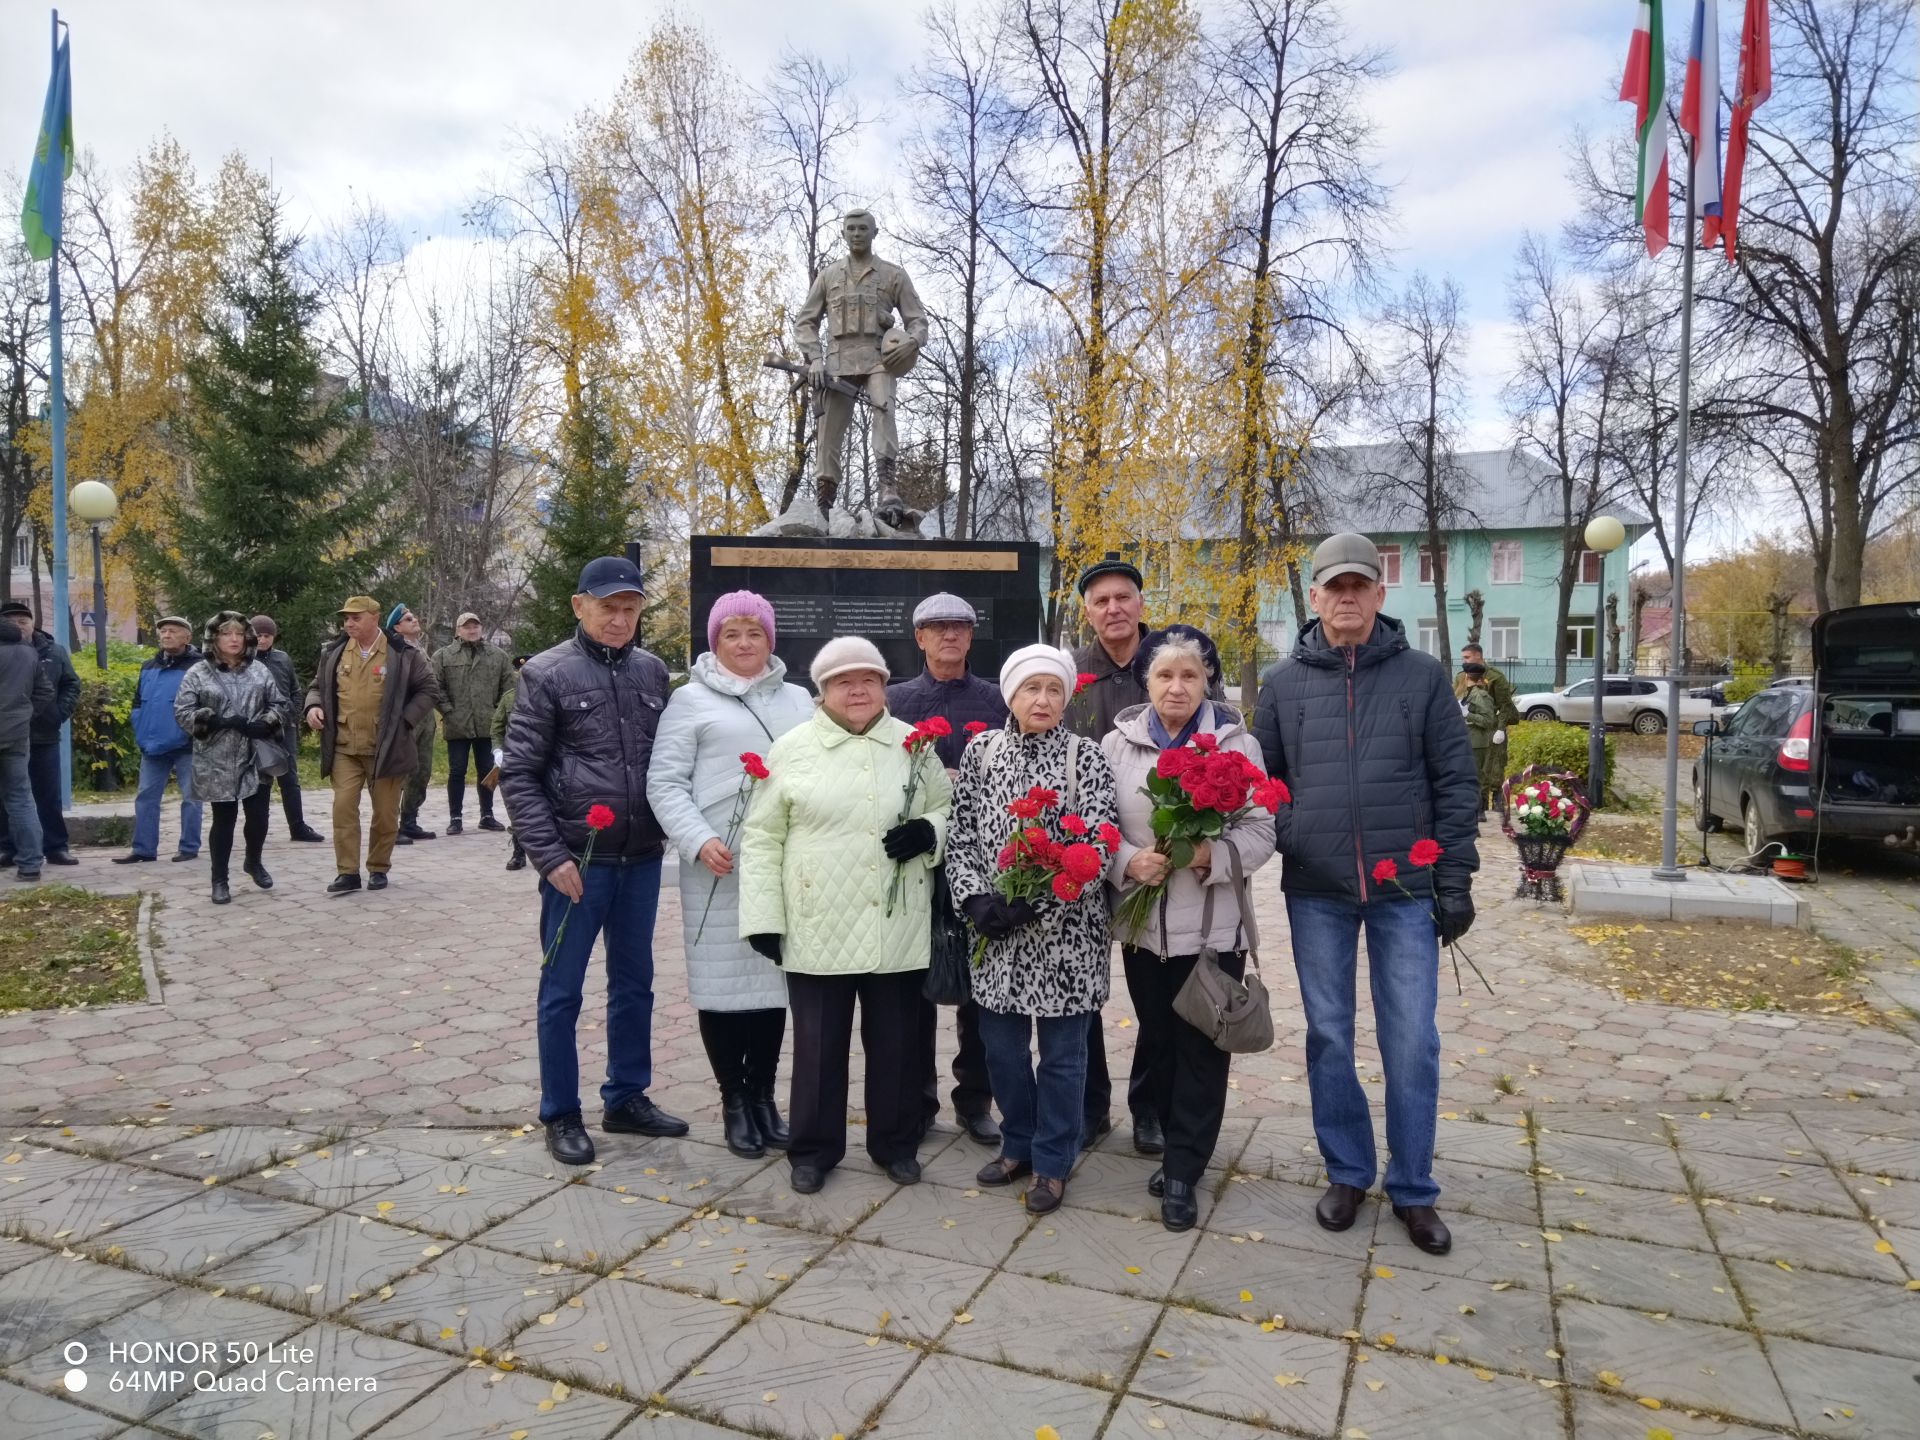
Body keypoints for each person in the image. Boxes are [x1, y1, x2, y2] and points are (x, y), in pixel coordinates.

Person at [1253, 533, 1480, 1257]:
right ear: (1314, 598)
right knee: (1328, 1035)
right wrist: (1301, 835)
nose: (1346, 598)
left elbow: (1455, 782)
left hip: (1403, 890)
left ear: (1381, 596)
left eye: (1360, 586)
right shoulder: (1283, 684)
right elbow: (1266, 785)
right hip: (1317, 890)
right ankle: (1347, 1172)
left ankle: (1412, 1187)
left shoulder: (1422, 677)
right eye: (1333, 587)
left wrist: (1454, 879)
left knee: (1411, 1042)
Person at [738, 636, 952, 1194]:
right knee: (817, 1048)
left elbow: (946, 807)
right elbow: (761, 837)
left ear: (884, 685)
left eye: (869, 679)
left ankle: (896, 1142)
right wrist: (764, 917)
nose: (857, 690)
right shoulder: (791, 750)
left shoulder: (913, 746)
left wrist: (929, 833)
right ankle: (813, 1149)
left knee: (898, 1045)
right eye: (842, 681)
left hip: (895, 922)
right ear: (822, 691)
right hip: (818, 923)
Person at [502, 557, 688, 1166]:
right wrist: (549, 855)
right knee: (563, 991)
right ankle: (560, 1111)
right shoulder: (548, 674)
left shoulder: (652, 672)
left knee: (635, 985)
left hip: (638, 860)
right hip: (577, 863)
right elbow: (521, 773)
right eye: (608, 606)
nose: (620, 618)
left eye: (631, 607)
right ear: (579, 606)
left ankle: (626, 1097)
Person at [1103, 625, 1276, 1232]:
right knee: (1160, 1037)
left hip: (1211, 930)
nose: (1177, 687)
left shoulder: (1236, 745)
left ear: (1207, 681)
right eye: (1164, 676)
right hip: (1145, 929)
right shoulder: (1115, 746)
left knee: (1203, 1048)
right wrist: (1128, 861)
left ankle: (1183, 1170)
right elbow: (1099, 828)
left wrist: (1205, 856)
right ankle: (1172, 1137)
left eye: (1190, 675)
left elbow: (1260, 833)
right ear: (1146, 682)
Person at [945, 644, 1118, 1214]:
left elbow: (1097, 841)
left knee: (1065, 1056)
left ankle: (1052, 1161)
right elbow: (962, 833)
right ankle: (1017, 1143)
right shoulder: (982, 752)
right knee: (1002, 1051)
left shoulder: (1084, 757)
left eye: (1053, 690)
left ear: (1066, 697)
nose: (1042, 700)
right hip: (996, 937)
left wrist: (1036, 903)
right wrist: (975, 900)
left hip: (1068, 936)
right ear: (1009, 694)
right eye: (1030, 689)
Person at [648, 591, 811, 1159]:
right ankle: (734, 1100)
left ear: (771, 639)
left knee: (771, 989)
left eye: (754, 633)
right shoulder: (688, 701)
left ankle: (765, 1097)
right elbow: (664, 783)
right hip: (718, 867)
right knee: (722, 989)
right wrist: (699, 840)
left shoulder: (800, 700)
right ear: (714, 641)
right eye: (731, 634)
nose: (744, 644)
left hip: (781, 868)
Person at [886, 590, 1006, 1149]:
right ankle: (918, 1099)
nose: (950, 635)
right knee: (915, 984)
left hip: (983, 860)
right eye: (937, 627)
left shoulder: (996, 699)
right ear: (919, 638)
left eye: (960, 625)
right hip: (915, 861)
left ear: (971, 634)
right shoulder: (895, 701)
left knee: (980, 986)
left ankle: (975, 1099)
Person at [1062, 551, 1157, 1156]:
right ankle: (1090, 1106)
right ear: (1088, 612)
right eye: (1101, 601)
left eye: (1123, 597)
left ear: (1140, 604)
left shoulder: (1172, 661)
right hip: (1081, 855)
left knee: (1156, 992)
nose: (1113, 608)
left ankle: (1149, 1108)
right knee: (1080, 991)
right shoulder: (1073, 673)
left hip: (1153, 858)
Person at [792, 208, 929, 524]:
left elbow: (917, 320)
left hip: (879, 360)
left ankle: (887, 488)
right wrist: (814, 359)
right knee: (827, 431)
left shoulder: (894, 275)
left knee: (884, 409)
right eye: (851, 228)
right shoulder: (829, 276)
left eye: (863, 228)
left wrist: (912, 340)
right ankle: (824, 499)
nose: (856, 233)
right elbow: (805, 322)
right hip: (838, 363)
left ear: (874, 233)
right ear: (843, 234)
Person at [303, 595, 437, 896]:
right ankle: (347, 872)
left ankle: (378, 867)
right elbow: (316, 687)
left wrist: (405, 722)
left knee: (386, 813)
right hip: (344, 746)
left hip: (386, 748)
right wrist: (313, 707)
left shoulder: (401, 653)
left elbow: (429, 690)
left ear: (374, 618)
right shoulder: (334, 652)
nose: (348, 623)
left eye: (355, 617)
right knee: (343, 807)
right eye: (346, 618)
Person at [175, 612, 287, 905]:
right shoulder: (198, 672)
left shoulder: (260, 671)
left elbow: (279, 704)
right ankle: (219, 879)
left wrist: (266, 722)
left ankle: (253, 861)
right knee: (224, 819)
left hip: (254, 754)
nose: (234, 639)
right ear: (215, 638)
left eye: (239, 633)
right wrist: (213, 721)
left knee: (259, 817)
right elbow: (182, 711)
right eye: (227, 634)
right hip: (216, 757)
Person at [114, 617, 204, 866]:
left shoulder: (200, 666)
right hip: (152, 744)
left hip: (187, 744)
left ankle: (188, 846)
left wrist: (193, 730)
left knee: (191, 797)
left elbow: (207, 704)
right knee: (145, 797)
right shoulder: (148, 666)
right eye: (163, 631)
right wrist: (139, 726)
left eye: (173, 631)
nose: (166, 635)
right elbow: (138, 702)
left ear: (187, 637)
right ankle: (143, 849)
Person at [0, 601, 79, 867]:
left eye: (23, 621)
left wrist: (58, 713)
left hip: (43, 735)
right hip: (13, 736)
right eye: (11, 621)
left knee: (47, 794)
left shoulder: (53, 651)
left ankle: (56, 846)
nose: (18, 625)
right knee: (9, 796)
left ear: (32, 623)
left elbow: (70, 684)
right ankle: (8, 848)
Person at [434, 611, 512, 835]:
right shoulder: (444, 656)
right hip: (457, 724)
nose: (472, 630)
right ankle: (455, 817)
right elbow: (436, 687)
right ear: (458, 631)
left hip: (488, 723)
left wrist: (498, 712)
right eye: (466, 626)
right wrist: (448, 711)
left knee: (487, 770)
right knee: (456, 770)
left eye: (475, 626)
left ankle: (487, 815)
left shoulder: (497, 656)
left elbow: (508, 686)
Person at [249, 616, 324, 843]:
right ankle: (258, 827)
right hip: (259, 728)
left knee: (289, 778)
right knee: (261, 779)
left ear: (273, 637)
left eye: (266, 636)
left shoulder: (282, 659)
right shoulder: (244, 661)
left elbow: (295, 689)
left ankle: (297, 826)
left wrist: (291, 712)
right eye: (258, 635)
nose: (262, 640)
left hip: (284, 727)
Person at [0, 613, 53, 881]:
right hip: (17, 734)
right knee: (21, 798)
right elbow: (45, 692)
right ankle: (30, 864)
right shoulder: (28, 654)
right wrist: (25, 715)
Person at [388, 605, 439, 844]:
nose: (414, 620)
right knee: (399, 773)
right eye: (408, 619)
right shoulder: (394, 651)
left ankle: (409, 820)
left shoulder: (419, 649)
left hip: (425, 718)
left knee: (421, 771)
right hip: (406, 718)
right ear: (397, 627)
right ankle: (391, 826)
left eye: (414, 617)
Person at [1454, 643, 1517, 793]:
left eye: (1467, 657)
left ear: (1478, 656)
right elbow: (1455, 699)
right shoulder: (1460, 677)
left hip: (1492, 728)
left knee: (1495, 767)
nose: (1464, 661)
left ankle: (1497, 802)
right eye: (1463, 658)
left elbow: (1505, 705)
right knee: (1475, 769)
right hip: (1471, 728)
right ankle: (1480, 808)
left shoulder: (1495, 676)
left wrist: (1501, 729)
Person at [491, 655, 531, 871]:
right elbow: (497, 727)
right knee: (518, 807)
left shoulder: (548, 694)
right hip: (515, 760)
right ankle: (519, 852)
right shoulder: (509, 698)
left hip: (541, 759)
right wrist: (498, 750)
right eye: (521, 672)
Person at [1460, 662, 1499, 820]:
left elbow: (1489, 720)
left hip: (1477, 743)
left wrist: (1467, 716)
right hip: (1468, 740)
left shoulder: (1480, 696)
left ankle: (1478, 813)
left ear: (1467, 676)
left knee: (1476, 778)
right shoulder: (1467, 693)